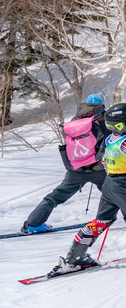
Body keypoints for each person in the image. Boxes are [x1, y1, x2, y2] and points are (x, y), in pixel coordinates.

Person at [52, 102, 126, 273]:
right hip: (125, 185)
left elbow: (104, 159)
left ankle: (75, 258)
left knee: (102, 220)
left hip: (110, 184)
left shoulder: (110, 139)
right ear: (121, 123)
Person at [23, 93, 109, 234]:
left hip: (75, 169)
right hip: (97, 168)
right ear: (102, 105)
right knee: (117, 192)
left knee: (55, 197)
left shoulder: (75, 120)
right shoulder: (103, 120)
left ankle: (33, 224)